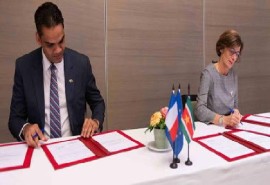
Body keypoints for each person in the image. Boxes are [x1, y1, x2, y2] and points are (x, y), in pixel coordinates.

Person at [8, 2, 105, 148]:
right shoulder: (24, 67)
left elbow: (98, 102)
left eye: (61, 41)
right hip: (41, 148)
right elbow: (15, 119)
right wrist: (26, 128)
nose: (58, 50)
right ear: (38, 39)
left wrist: (95, 122)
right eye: (50, 45)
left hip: (76, 146)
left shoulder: (81, 64)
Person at [194, 29, 243, 127]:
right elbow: (199, 109)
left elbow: (234, 105)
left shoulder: (233, 75)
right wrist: (223, 120)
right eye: (231, 51)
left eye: (237, 54)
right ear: (221, 48)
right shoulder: (208, 74)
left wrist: (236, 114)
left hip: (229, 127)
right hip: (213, 127)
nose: (234, 57)